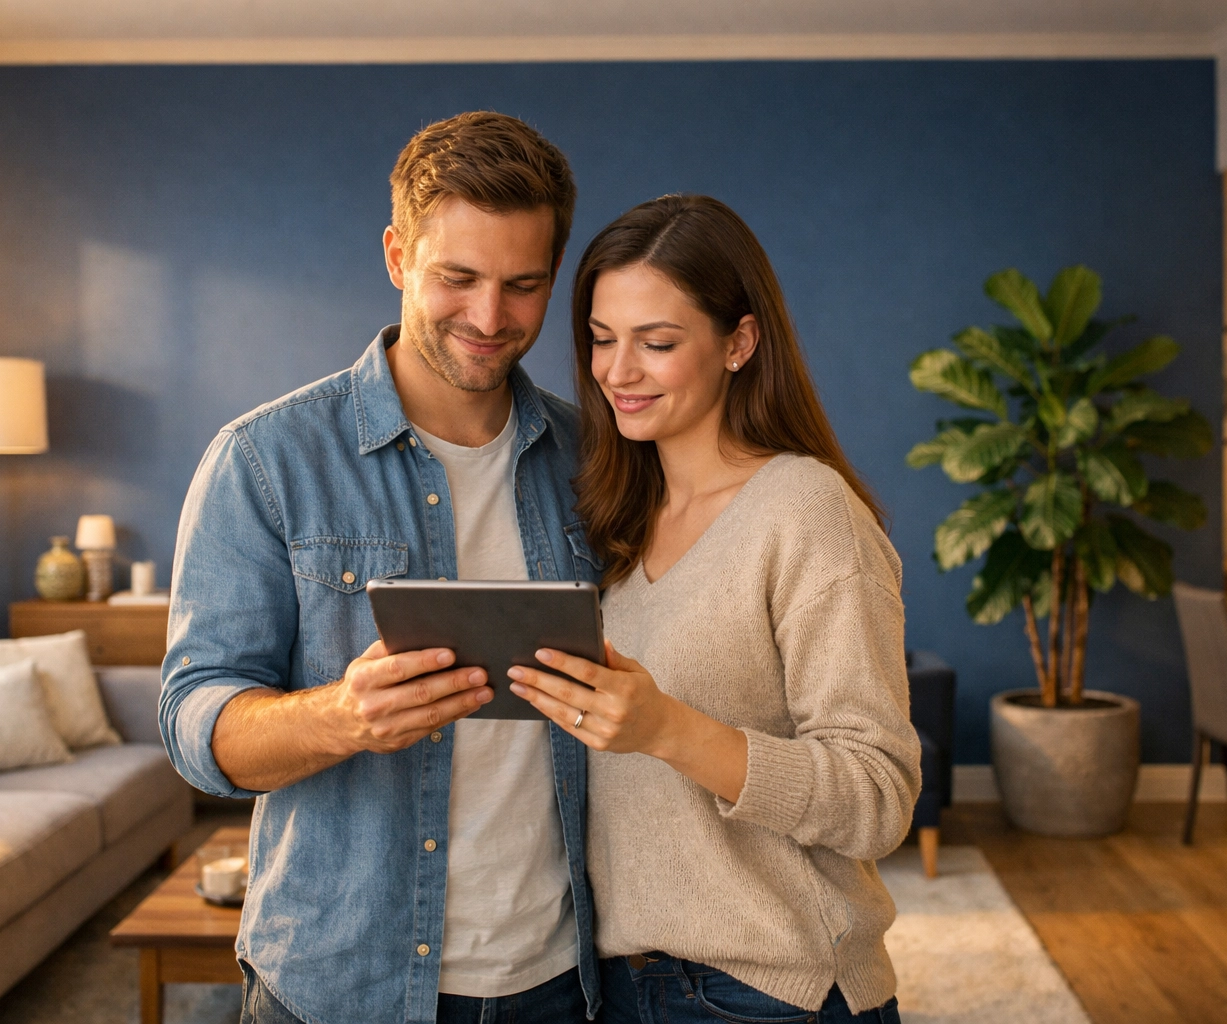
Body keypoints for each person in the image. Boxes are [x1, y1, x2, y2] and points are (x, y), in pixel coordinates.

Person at [160, 111, 602, 1024]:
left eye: (523, 285)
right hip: (337, 981)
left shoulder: (594, 458)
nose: (489, 318)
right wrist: (339, 716)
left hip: (561, 978)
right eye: (458, 278)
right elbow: (194, 723)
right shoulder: (264, 459)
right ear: (397, 255)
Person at [508, 194, 920, 1024]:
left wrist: (669, 730)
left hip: (773, 987)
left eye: (657, 343)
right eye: (600, 339)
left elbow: (880, 795)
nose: (619, 372)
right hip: (620, 980)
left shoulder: (807, 511)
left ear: (739, 341)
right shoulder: (613, 518)